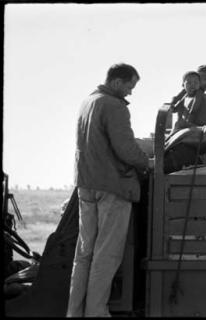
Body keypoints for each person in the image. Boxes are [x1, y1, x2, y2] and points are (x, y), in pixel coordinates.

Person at [67, 63, 151, 317]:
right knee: (107, 255)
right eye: (129, 86)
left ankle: (75, 312)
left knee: (84, 254)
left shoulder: (88, 101)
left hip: (87, 183)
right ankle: (96, 312)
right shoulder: (114, 106)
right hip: (112, 186)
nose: (130, 92)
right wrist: (148, 163)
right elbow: (125, 149)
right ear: (116, 82)